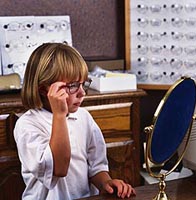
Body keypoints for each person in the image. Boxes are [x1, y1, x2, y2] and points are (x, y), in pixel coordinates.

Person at [14, 43, 136, 200]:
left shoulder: (83, 117)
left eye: (83, 83)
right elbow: (59, 169)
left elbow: (96, 166)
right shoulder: (27, 125)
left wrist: (106, 182)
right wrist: (59, 115)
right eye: (72, 86)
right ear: (45, 90)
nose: (82, 93)